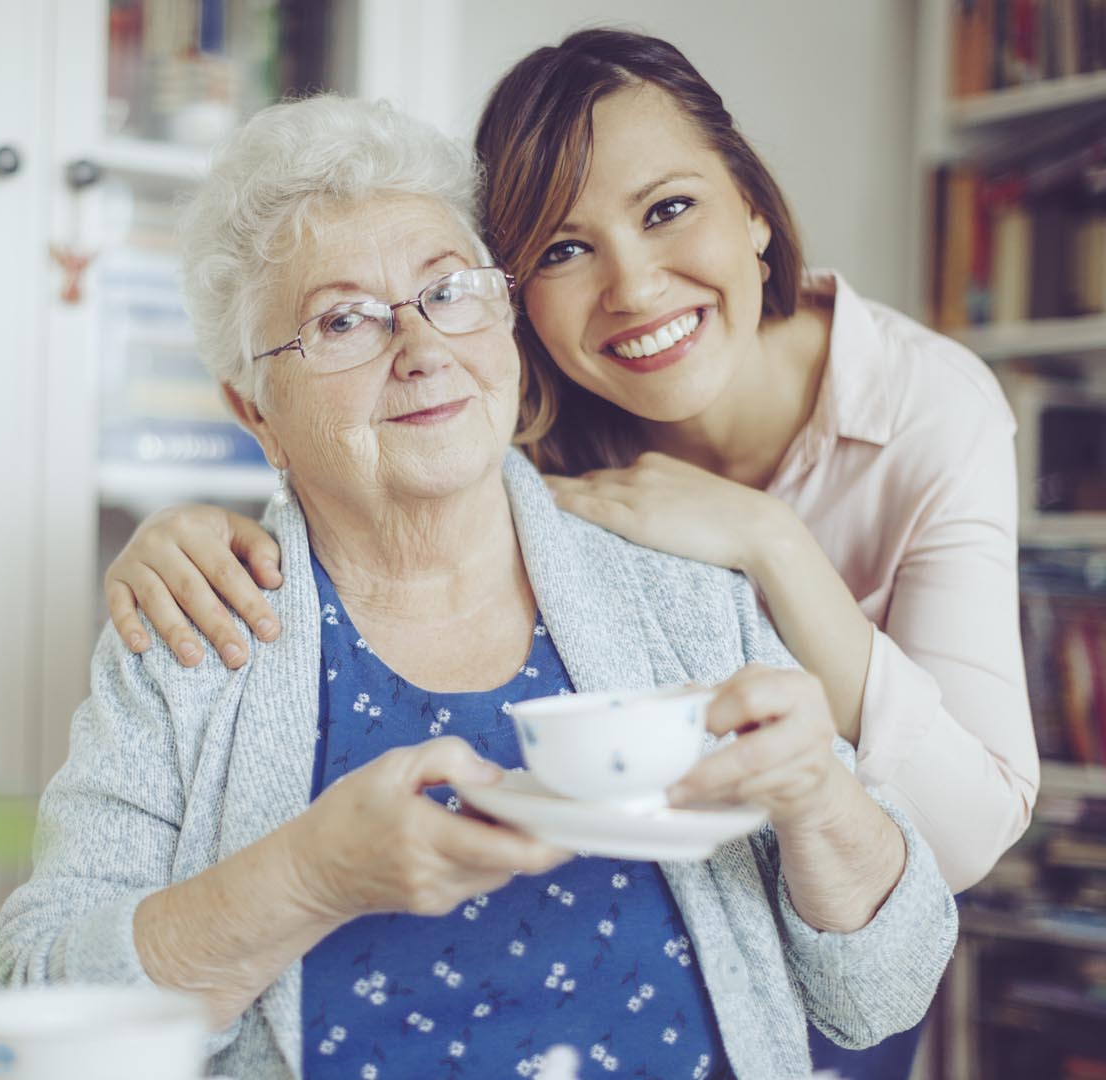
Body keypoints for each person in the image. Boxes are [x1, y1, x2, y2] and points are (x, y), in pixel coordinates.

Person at [0, 94, 957, 1080]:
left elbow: (884, 988)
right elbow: (36, 1045)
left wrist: (818, 798)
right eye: (343, 321)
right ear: (257, 411)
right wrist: (307, 879)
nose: (422, 351)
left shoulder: (686, 592)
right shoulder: (196, 634)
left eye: (448, 290)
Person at [104, 31, 1037, 901]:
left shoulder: (927, 409)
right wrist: (186, 530)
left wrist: (774, 545)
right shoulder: (506, 404)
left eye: (669, 209)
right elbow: (343, 457)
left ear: (753, 207)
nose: (632, 287)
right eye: (564, 249)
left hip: (847, 903)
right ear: (514, 295)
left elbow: (962, 840)